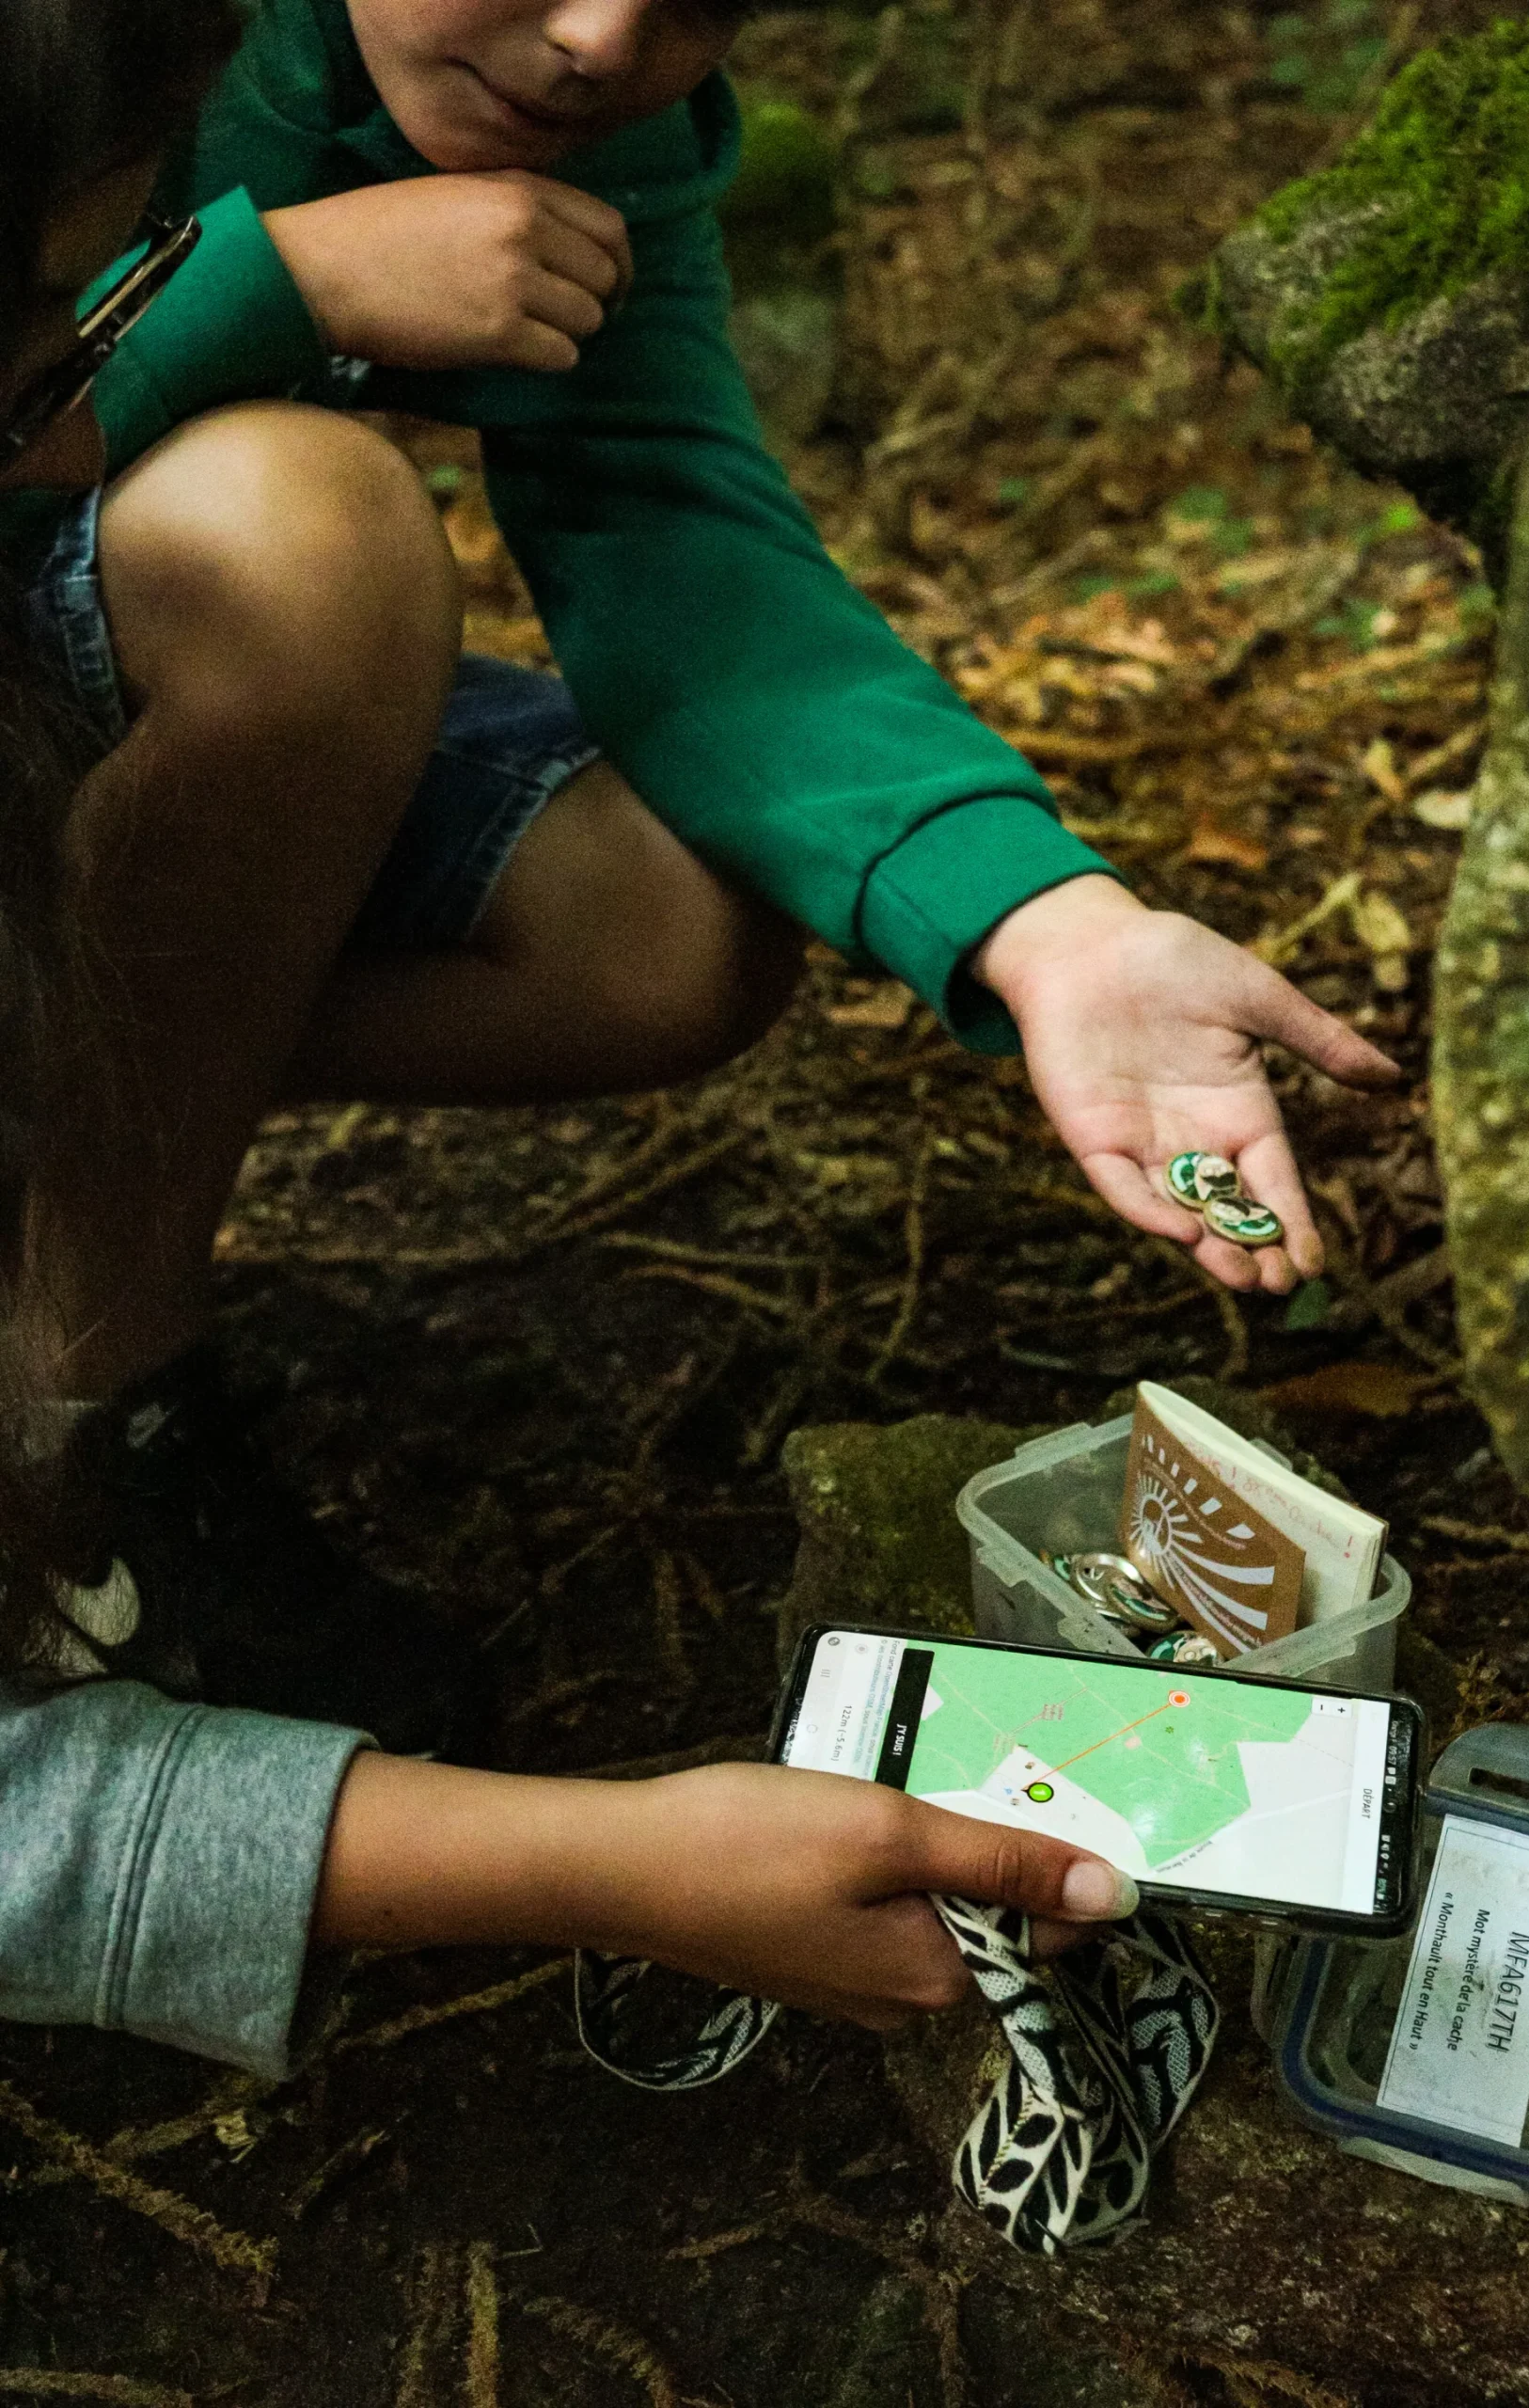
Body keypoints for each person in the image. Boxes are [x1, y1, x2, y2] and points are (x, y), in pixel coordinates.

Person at [1, 0, 1399, 1764]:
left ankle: (93, 1222)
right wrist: (278, 283)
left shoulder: (581, 137)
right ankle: (78, 1402)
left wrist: (1053, 927)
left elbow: (675, 538)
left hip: (97, 744)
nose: (600, 38)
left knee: (659, 926)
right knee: (308, 532)